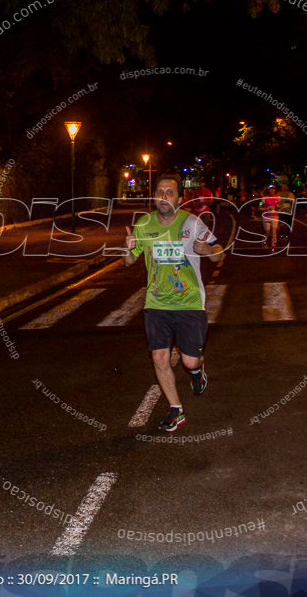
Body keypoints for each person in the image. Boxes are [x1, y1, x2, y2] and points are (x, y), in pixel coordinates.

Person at [124, 176, 225, 431]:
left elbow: (219, 254)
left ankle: (196, 370)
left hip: (189, 303)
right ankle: (176, 409)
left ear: (179, 199)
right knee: (159, 357)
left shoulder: (192, 223)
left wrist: (208, 251)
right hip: (156, 302)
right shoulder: (144, 224)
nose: (164, 196)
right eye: (160, 192)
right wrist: (128, 248)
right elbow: (128, 261)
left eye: (169, 192)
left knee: (189, 361)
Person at [259, 184, 280, 250]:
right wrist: (266, 208)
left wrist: (278, 206)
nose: (272, 190)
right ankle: (264, 240)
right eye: (271, 189)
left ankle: (273, 248)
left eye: (273, 189)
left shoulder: (278, 197)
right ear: (268, 190)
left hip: (275, 217)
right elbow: (259, 208)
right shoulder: (264, 198)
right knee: (268, 233)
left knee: (274, 231)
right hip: (266, 217)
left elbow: (279, 205)